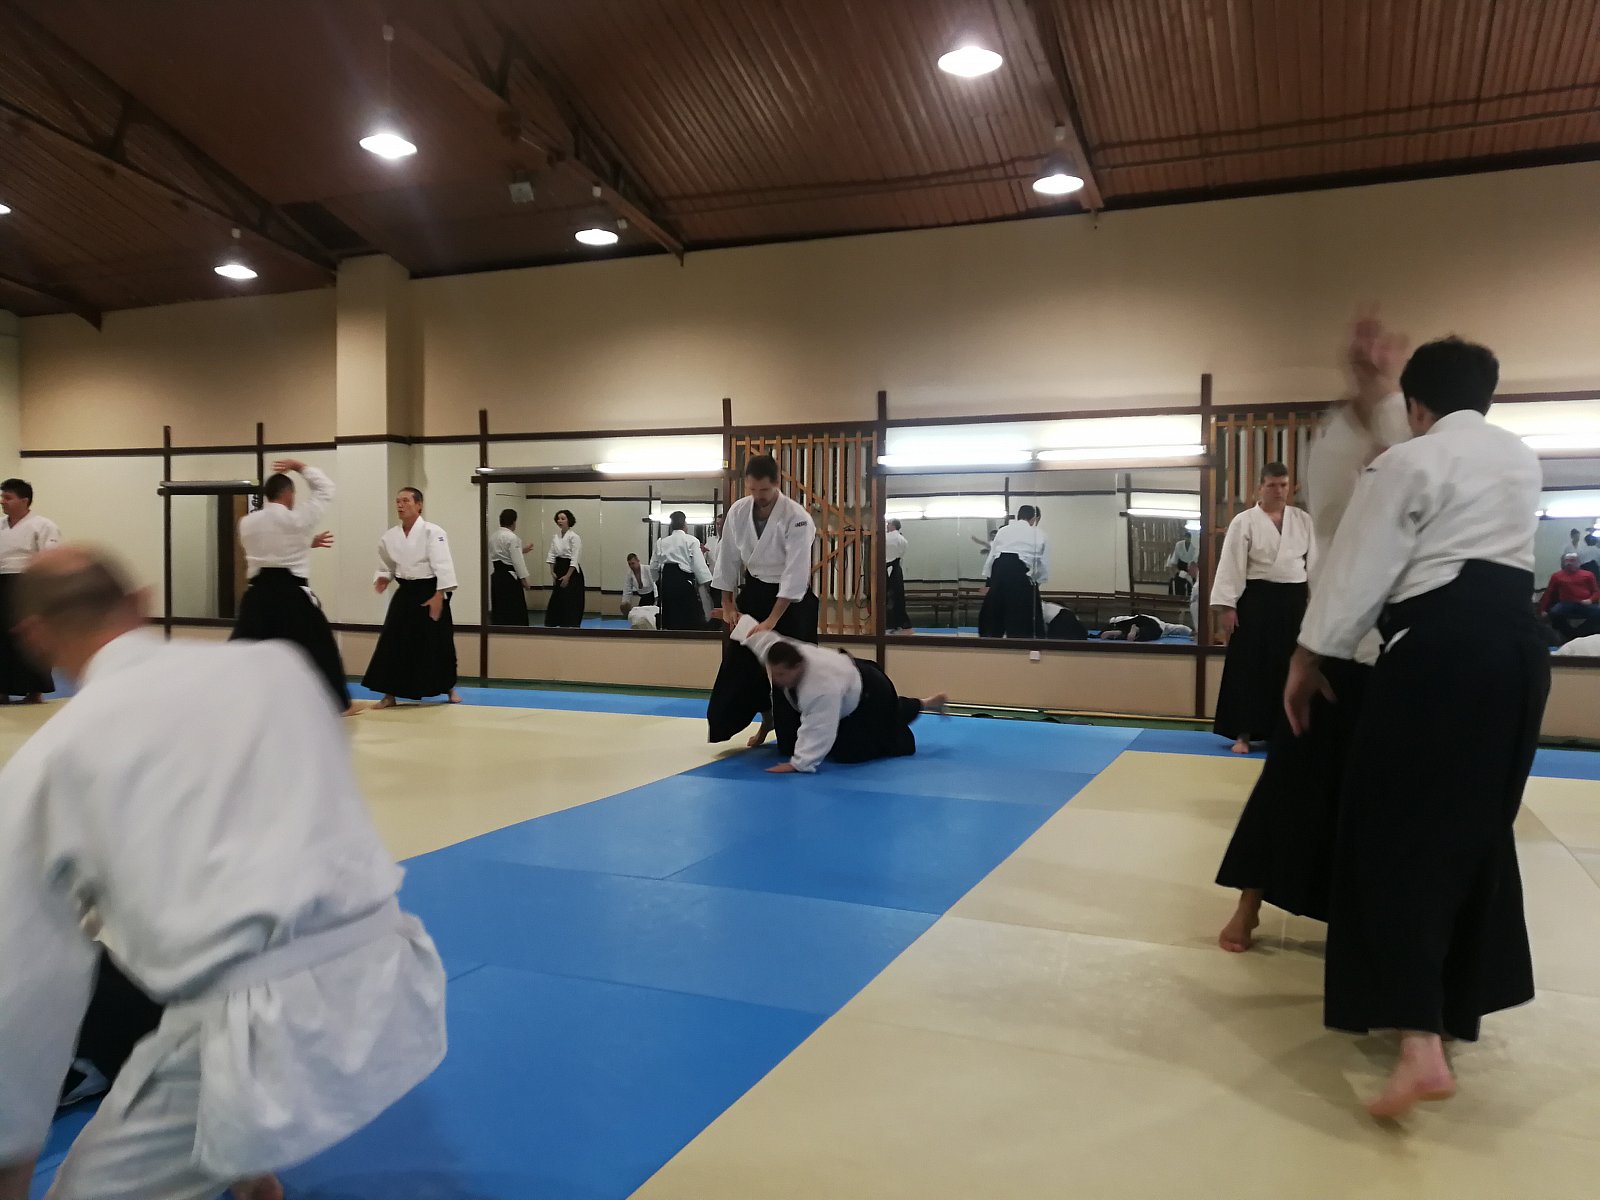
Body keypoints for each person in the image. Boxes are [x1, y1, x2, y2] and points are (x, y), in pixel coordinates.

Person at [0, 547, 446, 1200]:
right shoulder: (278, 668)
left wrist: (12, 1151)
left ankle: (239, 1151)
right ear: (141, 603)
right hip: (393, 985)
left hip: (251, 1035)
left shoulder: (48, 763)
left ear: (34, 637)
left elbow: (27, 984)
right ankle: (247, 1170)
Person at [1287, 335, 1545, 1118]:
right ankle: (1452, 1010)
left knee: (1392, 834)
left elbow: (1358, 567)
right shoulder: (1520, 458)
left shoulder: (1410, 461)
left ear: (1417, 405)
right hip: (1521, 658)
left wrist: (1307, 657)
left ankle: (1419, 1041)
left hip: (1438, 658)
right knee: (1475, 832)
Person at [1215, 316, 1412, 953]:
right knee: (1292, 776)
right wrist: (1368, 396)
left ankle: (1373, 914)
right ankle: (1249, 904)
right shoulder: (1329, 495)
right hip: (1331, 639)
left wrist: (1381, 399)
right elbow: (1335, 499)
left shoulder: (1425, 472)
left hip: (1395, 648)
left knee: (1386, 798)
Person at [732, 614, 945, 773]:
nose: (776, 679)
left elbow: (820, 728)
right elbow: (757, 636)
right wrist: (735, 617)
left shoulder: (819, 687)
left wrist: (799, 764)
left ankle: (915, 713)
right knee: (793, 742)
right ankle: (921, 704)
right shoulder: (777, 652)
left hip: (872, 691)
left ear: (797, 667)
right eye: (774, 673)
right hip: (847, 681)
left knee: (850, 754)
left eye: (781, 674)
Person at [708, 454, 818, 745]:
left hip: (792, 602)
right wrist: (729, 603)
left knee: (791, 667)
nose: (758, 496)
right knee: (740, 662)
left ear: (777, 483)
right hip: (755, 591)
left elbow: (795, 573)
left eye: (764, 490)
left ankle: (797, 735)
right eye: (752, 489)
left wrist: (771, 621)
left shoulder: (797, 517)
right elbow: (728, 558)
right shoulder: (739, 511)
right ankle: (766, 718)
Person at [1209, 463, 1317, 754]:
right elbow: (1231, 564)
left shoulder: (1303, 520)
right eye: (1272, 485)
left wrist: (1318, 603)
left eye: (1283, 485)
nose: (1278, 491)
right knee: (1249, 664)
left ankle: (1283, 734)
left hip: (1294, 599)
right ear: (1259, 488)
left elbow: (1315, 565)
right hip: (1256, 598)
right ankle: (1243, 734)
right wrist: (1227, 607)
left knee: (1289, 665)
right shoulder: (1244, 521)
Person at [231, 460, 352, 714]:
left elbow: (271, 547)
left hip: (257, 595)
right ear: (288, 494)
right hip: (291, 595)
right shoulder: (298, 519)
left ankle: (229, 698)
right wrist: (299, 466)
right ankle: (334, 703)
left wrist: (305, 543)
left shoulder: (247, 523)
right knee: (320, 648)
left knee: (244, 648)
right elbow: (326, 489)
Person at [363, 488, 461, 708]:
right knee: (394, 641)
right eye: (398, 501)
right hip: (405, 592)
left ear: (419, 505)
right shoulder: (390, 536)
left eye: (406, 501)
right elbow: (386, 565)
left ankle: (449, 687)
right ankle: (389, 694)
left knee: (439, 641)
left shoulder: (433, 532)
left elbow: (443, 564)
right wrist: (384, 578)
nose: (400, 505)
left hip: (431, 590)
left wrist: (439, 595)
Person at [0, 477, 61, 703]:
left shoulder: (43, 525)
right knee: (2, 639)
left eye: (8, 497)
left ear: (24, 500)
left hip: (30, 583)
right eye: (2, 497)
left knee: (31, 636)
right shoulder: (0, 525)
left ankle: (35, 690)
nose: (2, 501)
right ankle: (2, 688)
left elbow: (51, 558)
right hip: (2, 582)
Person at [977, 506, 1047, 638]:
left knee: (993, 615)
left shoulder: (1003, 530)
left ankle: (989, 641)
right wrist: (1037, 581)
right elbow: (1041, 562)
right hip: (1020, 573)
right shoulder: (1038, 533)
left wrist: (990, 583)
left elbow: (992, 557)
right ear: (1035, 518)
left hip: (1000, 569)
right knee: (1022, 618)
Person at [650, 510, 712, 630]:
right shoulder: (691, 540)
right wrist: (708, 583)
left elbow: (653, 566)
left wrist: (658, 581)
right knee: (689, 617)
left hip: (666, 581)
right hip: (683, 582)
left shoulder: (661, 542)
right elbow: (699, 565)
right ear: (685, 524)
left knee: (670, 617)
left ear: (671, 526)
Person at [488, 508, 534, 626]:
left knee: (500, 607)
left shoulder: (493, 537)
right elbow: (517, 561)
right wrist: (525, 580)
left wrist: (522, 550)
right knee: (513, 608)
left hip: (497, 576)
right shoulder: (512, 537)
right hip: (509, 578)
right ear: (513, 522)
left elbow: (503, 555)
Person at [1541, 550, 1600, 640]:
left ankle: (1581, 633)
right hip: (1565, 603)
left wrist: (1590, 600)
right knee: (1554, 613)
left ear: (1578, 562)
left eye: (1572, 560)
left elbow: (1596, 592)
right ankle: (1570, 635)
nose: (1569, 563)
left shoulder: (1588, 575)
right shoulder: (1556, 576)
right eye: (1567, 560)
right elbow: (1549, 593)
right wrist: (1543, 609)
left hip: (1584, 603)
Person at [543, 509, 585, 627]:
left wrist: (567, 576)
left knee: (570, 600)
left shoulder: (574, 537)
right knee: (558, 599)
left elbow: (575, 557)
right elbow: (551, 554)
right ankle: (556, 624)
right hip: (559, 568)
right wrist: (552, 571)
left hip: (571, 571)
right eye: (558, 518)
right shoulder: (555, 537)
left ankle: (570, 625)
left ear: (569, 520)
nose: (560, 521)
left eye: (563, 518)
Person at [884, 518, 912, 633]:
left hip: (886, 568)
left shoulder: (886, 537)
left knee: (887, 596)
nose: (887, 526)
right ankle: (901, 622)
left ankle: (889, 623)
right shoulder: (903, 540)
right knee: (898, 596)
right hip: (897, 569)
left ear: (893, 525)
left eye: (888, 524)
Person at [1099, 613, 1192, 642]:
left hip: (1130, 621)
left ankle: (1121, 632)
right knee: (1153, 633)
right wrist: (1191, 632)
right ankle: (1134, 631)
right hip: (1142, 623)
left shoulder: (1160, 626)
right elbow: (1180, 628)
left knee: (1126, 633)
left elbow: (1179, 628)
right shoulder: (1162, 626)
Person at [621, 553, 656, 617]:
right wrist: (625, 603)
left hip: (652, 594)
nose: (631, 566)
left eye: (633, 563)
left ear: (638, 561)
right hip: (643, 597)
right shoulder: (629, 574)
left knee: (651, 614)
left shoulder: (647, 569)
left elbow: (654, 584)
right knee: (640, 615)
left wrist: (656, 599)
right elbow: (627, 590)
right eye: (629, 564)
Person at [1166, 532, 1198, 597]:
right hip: (1181, 568)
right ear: (1184, 537)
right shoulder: (1179, 545)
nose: (1188, 539)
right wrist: (1179, 572)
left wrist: (1190, 575)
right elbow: (1173, 564)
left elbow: (1195, 564)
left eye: (1189, 537)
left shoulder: (1196, 546)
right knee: (1177, 584)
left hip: (1192, 569)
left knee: (1192, 588)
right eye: (1186, 537)